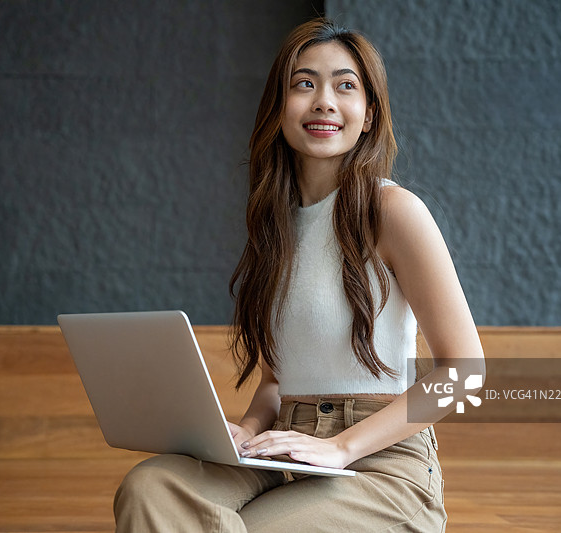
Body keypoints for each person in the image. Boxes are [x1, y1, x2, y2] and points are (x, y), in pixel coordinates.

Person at [114, 17, 484, 532]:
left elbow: (465, 373)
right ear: (279, 108)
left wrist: (340, 446)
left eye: (345, 86)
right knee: (150, 487)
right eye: (304, 83)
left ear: (369, 115)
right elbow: (276, 381)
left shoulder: (394, 211)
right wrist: (244, 432)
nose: (324, 101)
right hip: (289, 451)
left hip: (383, 467)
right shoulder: (275, 225)